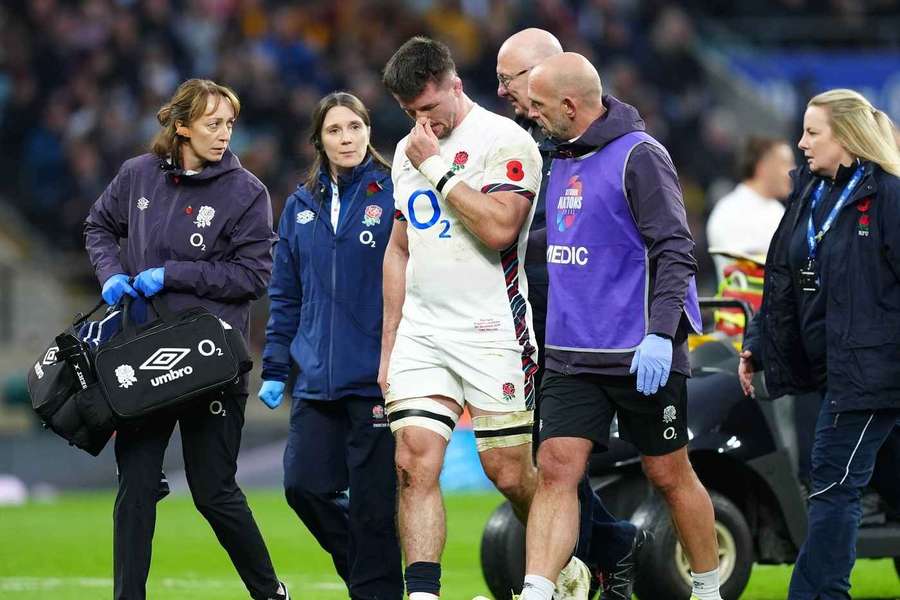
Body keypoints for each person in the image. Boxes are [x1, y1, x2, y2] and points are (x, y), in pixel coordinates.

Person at [379, 37, 588, 600]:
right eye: (410, 114)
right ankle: (422, 593)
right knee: (411, 463)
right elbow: (399, 249)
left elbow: (499, 228)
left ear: (455, 86)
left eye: (429, 109)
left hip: (492, 326)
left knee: (509, 472)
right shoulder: (406, 152)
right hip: (424, 332)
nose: (423, 124)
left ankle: (566, 563)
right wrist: (390, 346)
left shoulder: (506, 140)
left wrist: (440, 170)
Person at [523, 53, 722, 600]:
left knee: (668, 474)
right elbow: (570, 237)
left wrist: (661, 333)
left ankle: (707, 590)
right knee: (557, 468)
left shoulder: (641, 155)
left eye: (539, 106)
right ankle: (538, 590)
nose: (532, 115)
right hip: (569, 351)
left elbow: (675, 247)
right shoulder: (557, 157)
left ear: (569, 105)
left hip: (638, 350)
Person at [83, 78, 289, 600]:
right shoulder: (137, 175)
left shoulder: (246, 192)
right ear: (181, 126)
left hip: (210, 361)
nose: (224, 136)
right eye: (212, 124)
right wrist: (109, 271)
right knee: (134, 491)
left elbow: (253, 276)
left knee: (214, 492)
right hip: (144, 358)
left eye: (229, 125)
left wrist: (173, 273)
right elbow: (99, 227)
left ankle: (270, 593)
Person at [496, 28, 645, 600]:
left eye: (510, 79)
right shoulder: (528, 137)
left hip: (581, 320)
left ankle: (595, 558)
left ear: (547, 73)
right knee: (542, 457)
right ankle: (603, 549)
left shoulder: (587, 139)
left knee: (555, 456)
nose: (505, 92)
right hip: (529, 310)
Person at [740, 88, 900, 600]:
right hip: (834, 367)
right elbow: (783, 281)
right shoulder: (810, 195)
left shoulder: (889, 197)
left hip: (872, 374)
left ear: (847, 138)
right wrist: (758, 343)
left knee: (832, 483)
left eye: (813, 132)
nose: (801, 143)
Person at [258, 91, 403, 599]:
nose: (347, 138)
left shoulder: (396, 193)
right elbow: (285, 294)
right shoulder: (299, 206)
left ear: (369, 131)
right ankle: (370, 577)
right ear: (318, 139)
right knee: (303, 488)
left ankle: (375, 589)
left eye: (355, 127)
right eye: (335, 130)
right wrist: (276, 367)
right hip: (315, 378)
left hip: (376, 379)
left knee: (372, 505)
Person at [707, 136, 794, 282]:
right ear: (762, 167)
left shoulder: (778, 210)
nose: (793, 172)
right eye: (785, 164)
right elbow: (743, 272)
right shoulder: (730, 211)